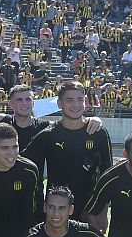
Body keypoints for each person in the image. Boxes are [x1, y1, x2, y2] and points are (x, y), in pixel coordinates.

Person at [34, 80, 113, 221]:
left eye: (80, 100)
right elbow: (23, 162)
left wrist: (102, 212)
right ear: (59, 104)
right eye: (69, 100)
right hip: (57, 212)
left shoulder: (98, 133)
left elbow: (107, 175)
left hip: (89, 211)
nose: (76, 105)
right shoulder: (49, 134)